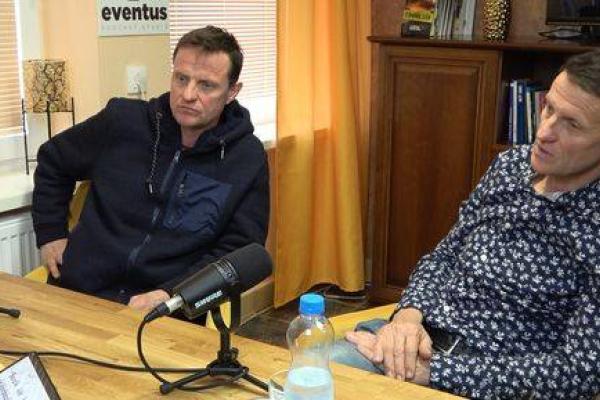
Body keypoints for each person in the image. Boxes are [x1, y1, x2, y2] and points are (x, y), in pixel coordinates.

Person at [332, 50, 600, 399]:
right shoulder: (511, 167)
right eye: (548, 108)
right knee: (307, 376)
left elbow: (578, 371)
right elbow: (445, 256)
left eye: (572, 124)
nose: (544, 131)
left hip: (489, 381)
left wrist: (436, 373)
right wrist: (406, 319)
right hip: (418, 339)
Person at [32, 26, 269, 315]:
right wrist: (50, 233)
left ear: (232, 92)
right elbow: (53, 160)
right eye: (181, 78)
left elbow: (238, 250)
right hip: (78, 292)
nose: (188, 94)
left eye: (206, 85)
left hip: (164, 311)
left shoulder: (246, 157)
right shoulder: (122, 121)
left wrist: (172, 295)